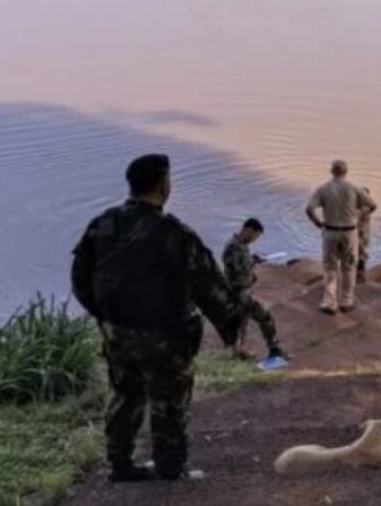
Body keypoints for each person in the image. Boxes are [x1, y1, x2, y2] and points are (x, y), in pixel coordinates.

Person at [71, 154, 239, 483]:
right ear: (164, 184)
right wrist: (230, 327)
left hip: (118, 333)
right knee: (169, 403)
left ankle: (120, 465)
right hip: (167, 336)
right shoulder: (175, 232)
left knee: (124, 396)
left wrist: (107, 317)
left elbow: (80, 280)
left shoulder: (102, 225)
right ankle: (170, 469)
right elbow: (209, 286)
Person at [306, 160, 377, 314]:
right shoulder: (354, 188)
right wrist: (359, 215)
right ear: (346, 171)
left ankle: (330, 302)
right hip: (349, 232)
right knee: (349, 267)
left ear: (332, 171)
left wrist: (318, 223)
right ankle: (346, 300)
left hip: (330, 231)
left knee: (330, 267)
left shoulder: (323, 189)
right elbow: (372, 205)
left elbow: (309, 209)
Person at [221, 218, 286, 362]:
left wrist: (253, 262)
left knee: (241, 325)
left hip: (243, 291)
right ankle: (274, 349)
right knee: (264, 317)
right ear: (248, 230)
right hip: (238, 293)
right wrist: (251, 263)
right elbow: (235, 270)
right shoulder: (233, 247)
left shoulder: (242, 245)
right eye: (255, 236)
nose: (254, 240)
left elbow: (243, 264)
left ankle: (238, 353)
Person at [356, 187, 372, 283]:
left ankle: (360, 276)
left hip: (363, 234)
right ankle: (360, 276)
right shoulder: (361, 210)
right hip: (361, 235)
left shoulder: (363, 208)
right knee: (361, 255)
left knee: (361, 256)